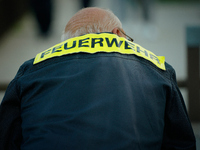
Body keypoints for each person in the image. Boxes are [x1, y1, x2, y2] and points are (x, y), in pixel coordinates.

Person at [0, 7, 196, 150]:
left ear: (67, 42)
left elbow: (7, 138)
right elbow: (181, 143)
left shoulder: (29, 70)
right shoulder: (159, 68)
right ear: (117, 34)